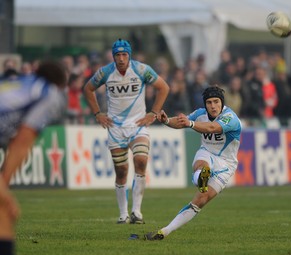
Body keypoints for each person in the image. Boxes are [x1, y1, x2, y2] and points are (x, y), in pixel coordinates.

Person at [83, 39, 169, 224]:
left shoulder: (141, 70)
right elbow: (88, 89)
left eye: (124, 54)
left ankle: (136, 212)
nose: (121, 58)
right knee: (121, 171)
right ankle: (123, 215)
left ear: (129, 55)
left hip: (138, 125)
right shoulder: (105, 72)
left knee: (141, 160)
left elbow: (163, 88)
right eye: (117, 55)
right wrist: (98, 113)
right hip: (116, 128)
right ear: (113, 56)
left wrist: (153, 113)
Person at [145, 85, 242, 240]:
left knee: (200, 200)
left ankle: (199, 180)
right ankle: (165, 231)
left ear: (222, 102)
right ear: (205, 104)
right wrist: (167, 120)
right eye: (209, 102)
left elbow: (211, 128)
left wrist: (190, 124)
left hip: (226, 163)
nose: (213, 106)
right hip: (207, 152)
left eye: (216, 102)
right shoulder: (200, 113)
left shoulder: (230, 117)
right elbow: (182, 121)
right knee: (202, 165)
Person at [0, 60, 68, 255]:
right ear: (61, 85)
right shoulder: (49, 93)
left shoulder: (22, 82)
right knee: (4, 211)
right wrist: (5, 190)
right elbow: (22, 142)